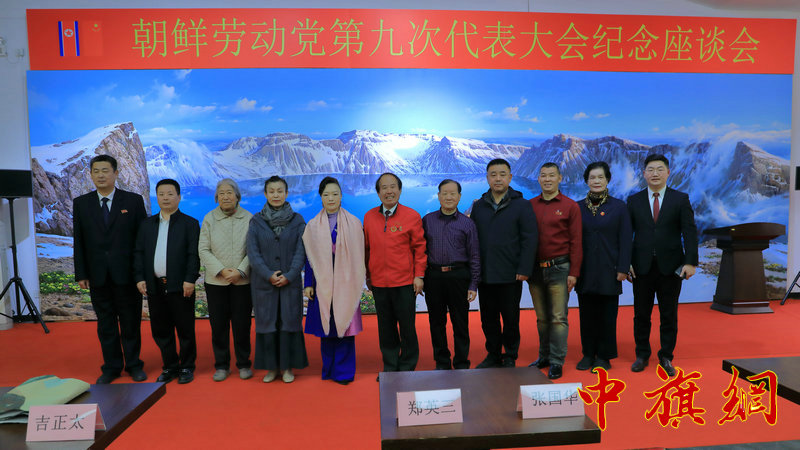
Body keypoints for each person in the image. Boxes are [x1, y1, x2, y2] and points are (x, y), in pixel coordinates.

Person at [73, 154, 148, 384]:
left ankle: (134, 365)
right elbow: (79, 240)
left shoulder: (133, 201)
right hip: (97, 275)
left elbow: (142, 241)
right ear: (91, 174)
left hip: (127, 275)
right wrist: (81, 273)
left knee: (130, 322)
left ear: (116, 173)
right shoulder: (82, 203)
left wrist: (140, 274)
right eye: (96, 171)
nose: (100, 175)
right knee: (106, 324)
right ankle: (111, 367)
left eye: (105, 170)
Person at [627, 154, 698, 377]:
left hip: (671, 267)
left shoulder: (680, 199)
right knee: (641, 314)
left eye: (659, 169)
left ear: (668, 173)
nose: (655, 173)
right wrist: (626, 262)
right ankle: (642, 355)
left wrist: (690, 262)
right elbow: (626, 235)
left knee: (669, 314)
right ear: (644, 174)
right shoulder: (634, 200)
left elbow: (689, 231)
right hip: (641, 267)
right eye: (650, 169)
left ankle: (666, 355)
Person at [470, 159, 537, 369]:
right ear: (487, 178)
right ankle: (493, 354)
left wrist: (524, 268)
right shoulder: (479, 206)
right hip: (486, 273)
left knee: (510, 317)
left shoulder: (522, 205)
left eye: (502, 174)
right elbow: (472, 240)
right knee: (488, 318)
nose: (497, 178)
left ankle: (510, 354)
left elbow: (530, 239)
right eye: (493, 174)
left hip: (511, 273)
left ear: (510, 177)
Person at [134, 179, 200, 384]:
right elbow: (139, 252)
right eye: (161, 194)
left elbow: (193, 255)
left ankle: (187, 366)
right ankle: (170, 366)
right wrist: (139, 277)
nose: (165, 198)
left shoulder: (190, 223)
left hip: (181, 285)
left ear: (179, 197)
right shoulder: (147, 225)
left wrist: (190, 279)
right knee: (161, 329)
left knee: (185, 328)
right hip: (154, 285)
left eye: (170, 194)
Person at [302, 177, 366, 385]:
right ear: (320, 197)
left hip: (346, 283)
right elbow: (309, 258)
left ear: (341, 196)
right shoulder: (313, 226)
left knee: (344, 327)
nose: (331, 198)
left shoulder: (354, 223)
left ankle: (344, 372)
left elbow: (359, 256)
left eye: (335, 194)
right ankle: (329, 368)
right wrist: (308, 284)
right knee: (326, 327)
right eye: (326, 194)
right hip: (322, 284)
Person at [363, 173, 426, 378]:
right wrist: (368, 276)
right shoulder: (369, 217)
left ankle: (407, 367)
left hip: (405, 282)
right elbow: (366, 249)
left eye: (393, 187)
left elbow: (419, 249)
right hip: (379, 283)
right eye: (384, 187)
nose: (388, 191)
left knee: (407, 327)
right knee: (386, 328)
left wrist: (419, 276)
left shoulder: (411, 216)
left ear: (399, 190)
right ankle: (390, 367)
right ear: (378, 192)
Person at [247, 176, 308, 383]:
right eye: (271, 191)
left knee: (288, 324)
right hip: (264, 284)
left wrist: (290, 275)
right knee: (268, 325)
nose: (276, 195)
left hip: (290, 284)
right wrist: (268, 274)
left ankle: (288, 367)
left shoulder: (298, 220)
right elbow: (253, 252)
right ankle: (271, 368)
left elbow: (301, 251)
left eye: (280, 191)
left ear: (286, 193)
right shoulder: (256, 221)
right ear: (265, 194)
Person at [575, 162, 632, 372]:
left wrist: (623, 268)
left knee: (607, 315)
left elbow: (626, 239)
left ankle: (604, 356)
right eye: (592, 177)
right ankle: (588, 354)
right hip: (585, 269)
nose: (596, 181)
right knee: (586, 314)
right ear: (586, 181)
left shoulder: (619, 207)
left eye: (600, 177)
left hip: (610, 268)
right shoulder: (577, 208)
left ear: (607, 180)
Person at [528, 162, 582, 380]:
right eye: (543, 175)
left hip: (560, 268)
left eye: (552, 175)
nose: (547, 179)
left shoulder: (570, 206)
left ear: (560, 178)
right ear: (538, 179)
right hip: (535, 269)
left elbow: (576, 242)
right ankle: (544, 357)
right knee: (542, 318)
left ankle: (557, 361)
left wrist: (574, 272)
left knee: (558, 317)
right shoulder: (530, 205)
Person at [421, 179, 480, 370]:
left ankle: (462, 362)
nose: (448, 197)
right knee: (436, 322)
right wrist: (420, 277)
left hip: (458, 277)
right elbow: (420, 251)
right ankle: (442, 362)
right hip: (434, 277)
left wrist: (473, 284)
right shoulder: (427, 220)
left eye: (452, 193)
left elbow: (474, 255)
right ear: (438, 196)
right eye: (444, 193)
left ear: (459, 197)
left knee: (460, 322)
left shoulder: (467, 223)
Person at [199, 178, 254, 382]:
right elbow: (203, 249)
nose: (225, 196)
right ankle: (222, 365)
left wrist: (240, 271)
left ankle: (244, 364)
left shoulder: (249, 218)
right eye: (221, 193)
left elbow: (254, 249)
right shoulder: (209, 218)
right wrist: (222, 270)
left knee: (242, 325)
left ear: (237, 196)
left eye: (229, 192)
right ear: (216, 197)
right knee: (218, 326)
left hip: (242, 282)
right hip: (216, 282)